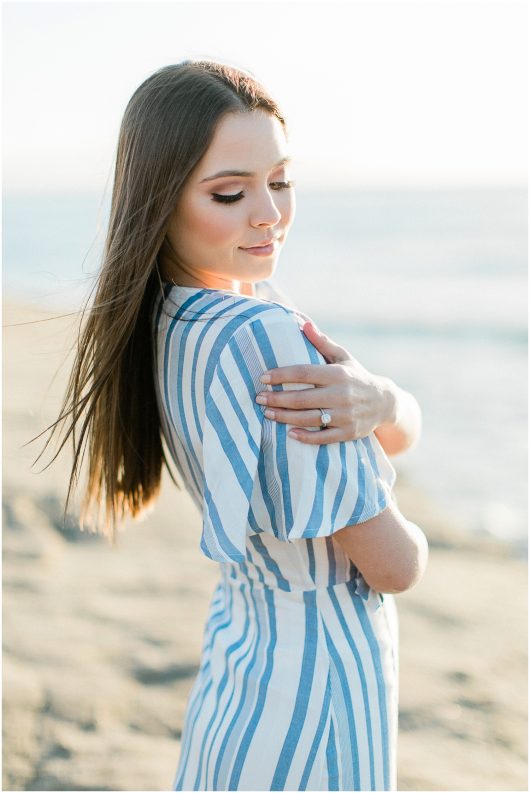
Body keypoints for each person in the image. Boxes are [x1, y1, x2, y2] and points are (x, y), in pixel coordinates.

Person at [38, 60, 428, 791]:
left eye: (280, 181)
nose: (269, 213)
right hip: (319, 683)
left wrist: (376, 401)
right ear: (162, 199)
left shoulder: (167, 323)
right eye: (229, 191)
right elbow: (394, 565)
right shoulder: (264, 335)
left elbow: (395, 428)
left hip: (240, 653)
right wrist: (384, 427)